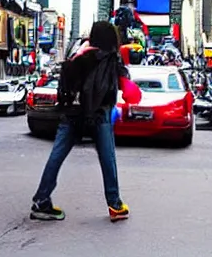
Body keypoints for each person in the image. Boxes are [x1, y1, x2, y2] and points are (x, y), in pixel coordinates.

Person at [30, 21, 137, 223]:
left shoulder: (80, 56)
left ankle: (42, 200)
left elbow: (67, 83)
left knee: (57, 155)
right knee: (107, 159)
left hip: (72, 114)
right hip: (99, 114)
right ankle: (115, 205)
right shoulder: (111, 58)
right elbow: (124, 82)